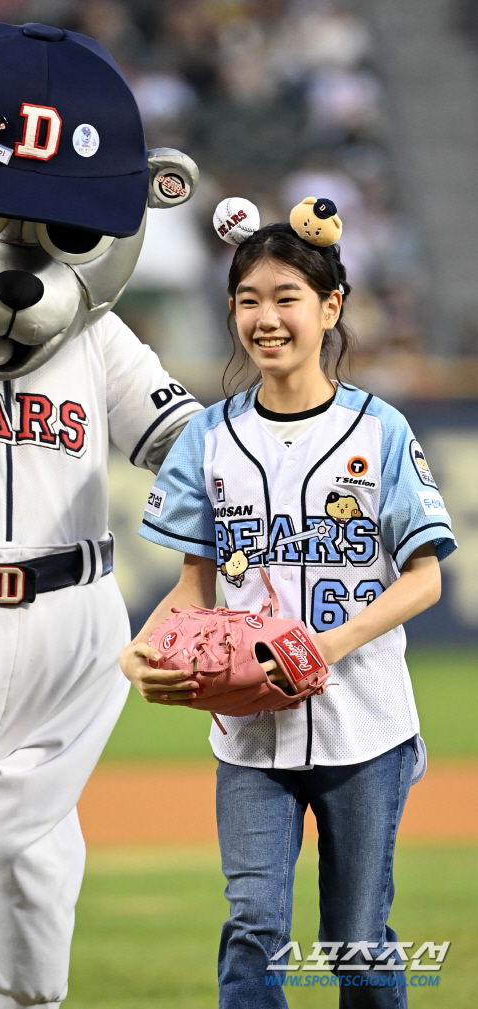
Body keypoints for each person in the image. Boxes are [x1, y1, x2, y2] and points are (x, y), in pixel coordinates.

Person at [120, 208, 456, 1007]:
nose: (264, 318)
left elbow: (424, 579)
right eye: (247, 299)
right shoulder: (208, 435)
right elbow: (194, 584)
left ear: (330, 308)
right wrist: (143, 647)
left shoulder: (380, 428)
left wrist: (324, 647)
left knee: (357, 942)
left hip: (365, 725)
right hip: (248, 733)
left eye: (286, 297)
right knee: (253, 927)